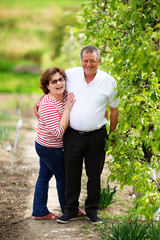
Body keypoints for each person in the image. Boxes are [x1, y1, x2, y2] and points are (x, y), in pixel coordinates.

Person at [34, 46, 120, 224]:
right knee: (71, 174)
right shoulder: (71, 75)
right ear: (81, 60)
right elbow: (51, 83)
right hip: (72, 136)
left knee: (94, 175)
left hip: (97, 136)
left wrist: (112, 135)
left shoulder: (109, 81)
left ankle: (92, 211)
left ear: (99, 61)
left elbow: (114, 110)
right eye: (85, 60)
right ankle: (70, 210)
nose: (88, 64)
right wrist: (40, 98)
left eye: (92, 60)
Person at [32, 66, 79, 220]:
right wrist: (67, 110)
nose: (59, 83)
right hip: (49, 148)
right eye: (54, 82)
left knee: (44, 177)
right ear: (47, 86)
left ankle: (40, 211)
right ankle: (69, 210)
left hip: (48, 145)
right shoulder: (46, 106)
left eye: (61, 79)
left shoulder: (64, 94)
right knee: (63, 177)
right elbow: (59, 132)